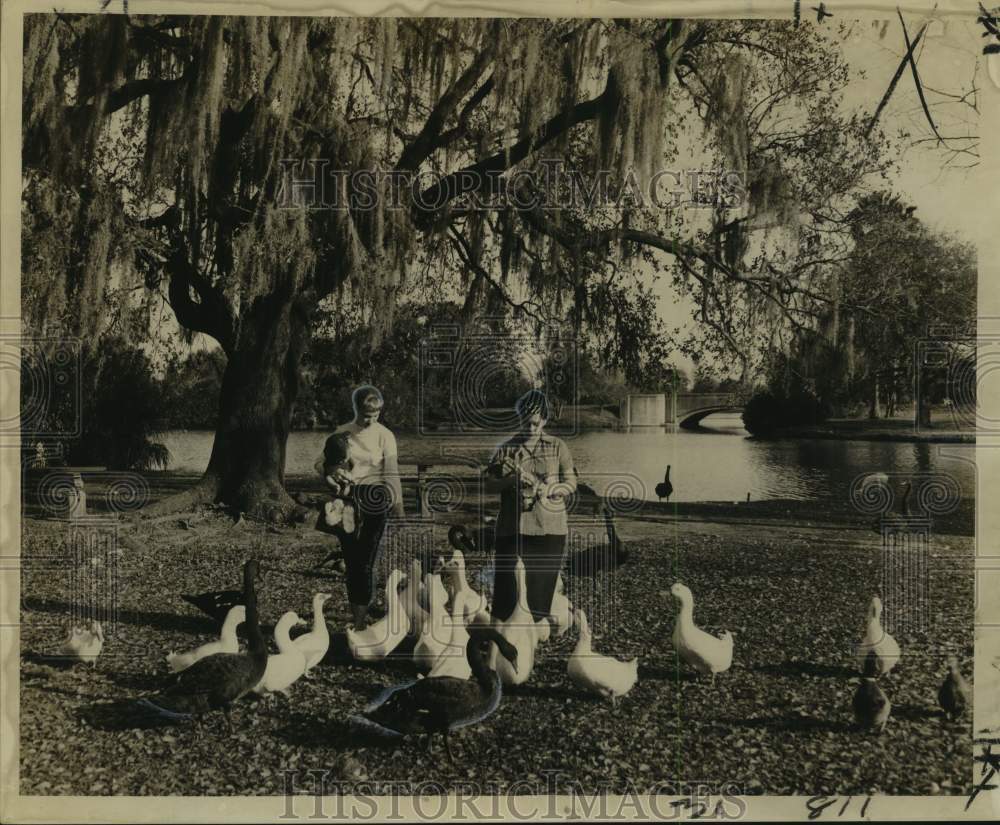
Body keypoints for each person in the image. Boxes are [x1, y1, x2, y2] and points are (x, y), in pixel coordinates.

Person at [314, 385, 405, 628]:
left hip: (375, 497)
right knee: (352, 560)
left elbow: (392, 473)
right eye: (366, 415)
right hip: (346, 498)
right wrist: (330, 475)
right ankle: (358, 620)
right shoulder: (342, 433)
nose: (371, 419)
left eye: (375, 415)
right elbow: (320, 464)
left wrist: (399, 508)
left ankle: (362, 619)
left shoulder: (385, 435)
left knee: (366, 560)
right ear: (356, 408)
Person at [485, 389, 577, 627]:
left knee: (539, 598)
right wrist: (512, 481)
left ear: (544, 420)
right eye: (526, 422)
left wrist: (553, 489)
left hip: (550, 530)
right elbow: (489, 485)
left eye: (536, 423)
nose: (530, 428)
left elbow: (572, 483)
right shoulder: (506, 449)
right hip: (512, 531)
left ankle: (529, 650)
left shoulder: (558, 447)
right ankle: (498, 648)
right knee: (506, 595)